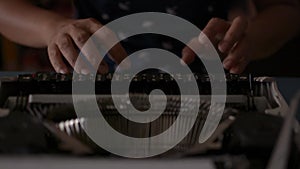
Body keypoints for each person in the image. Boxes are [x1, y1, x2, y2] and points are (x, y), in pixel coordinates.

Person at [0, 0, 299, 74]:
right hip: (97, 79)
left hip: (208, 82)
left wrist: (250, 38)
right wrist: (52, 28)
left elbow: (286, 8)